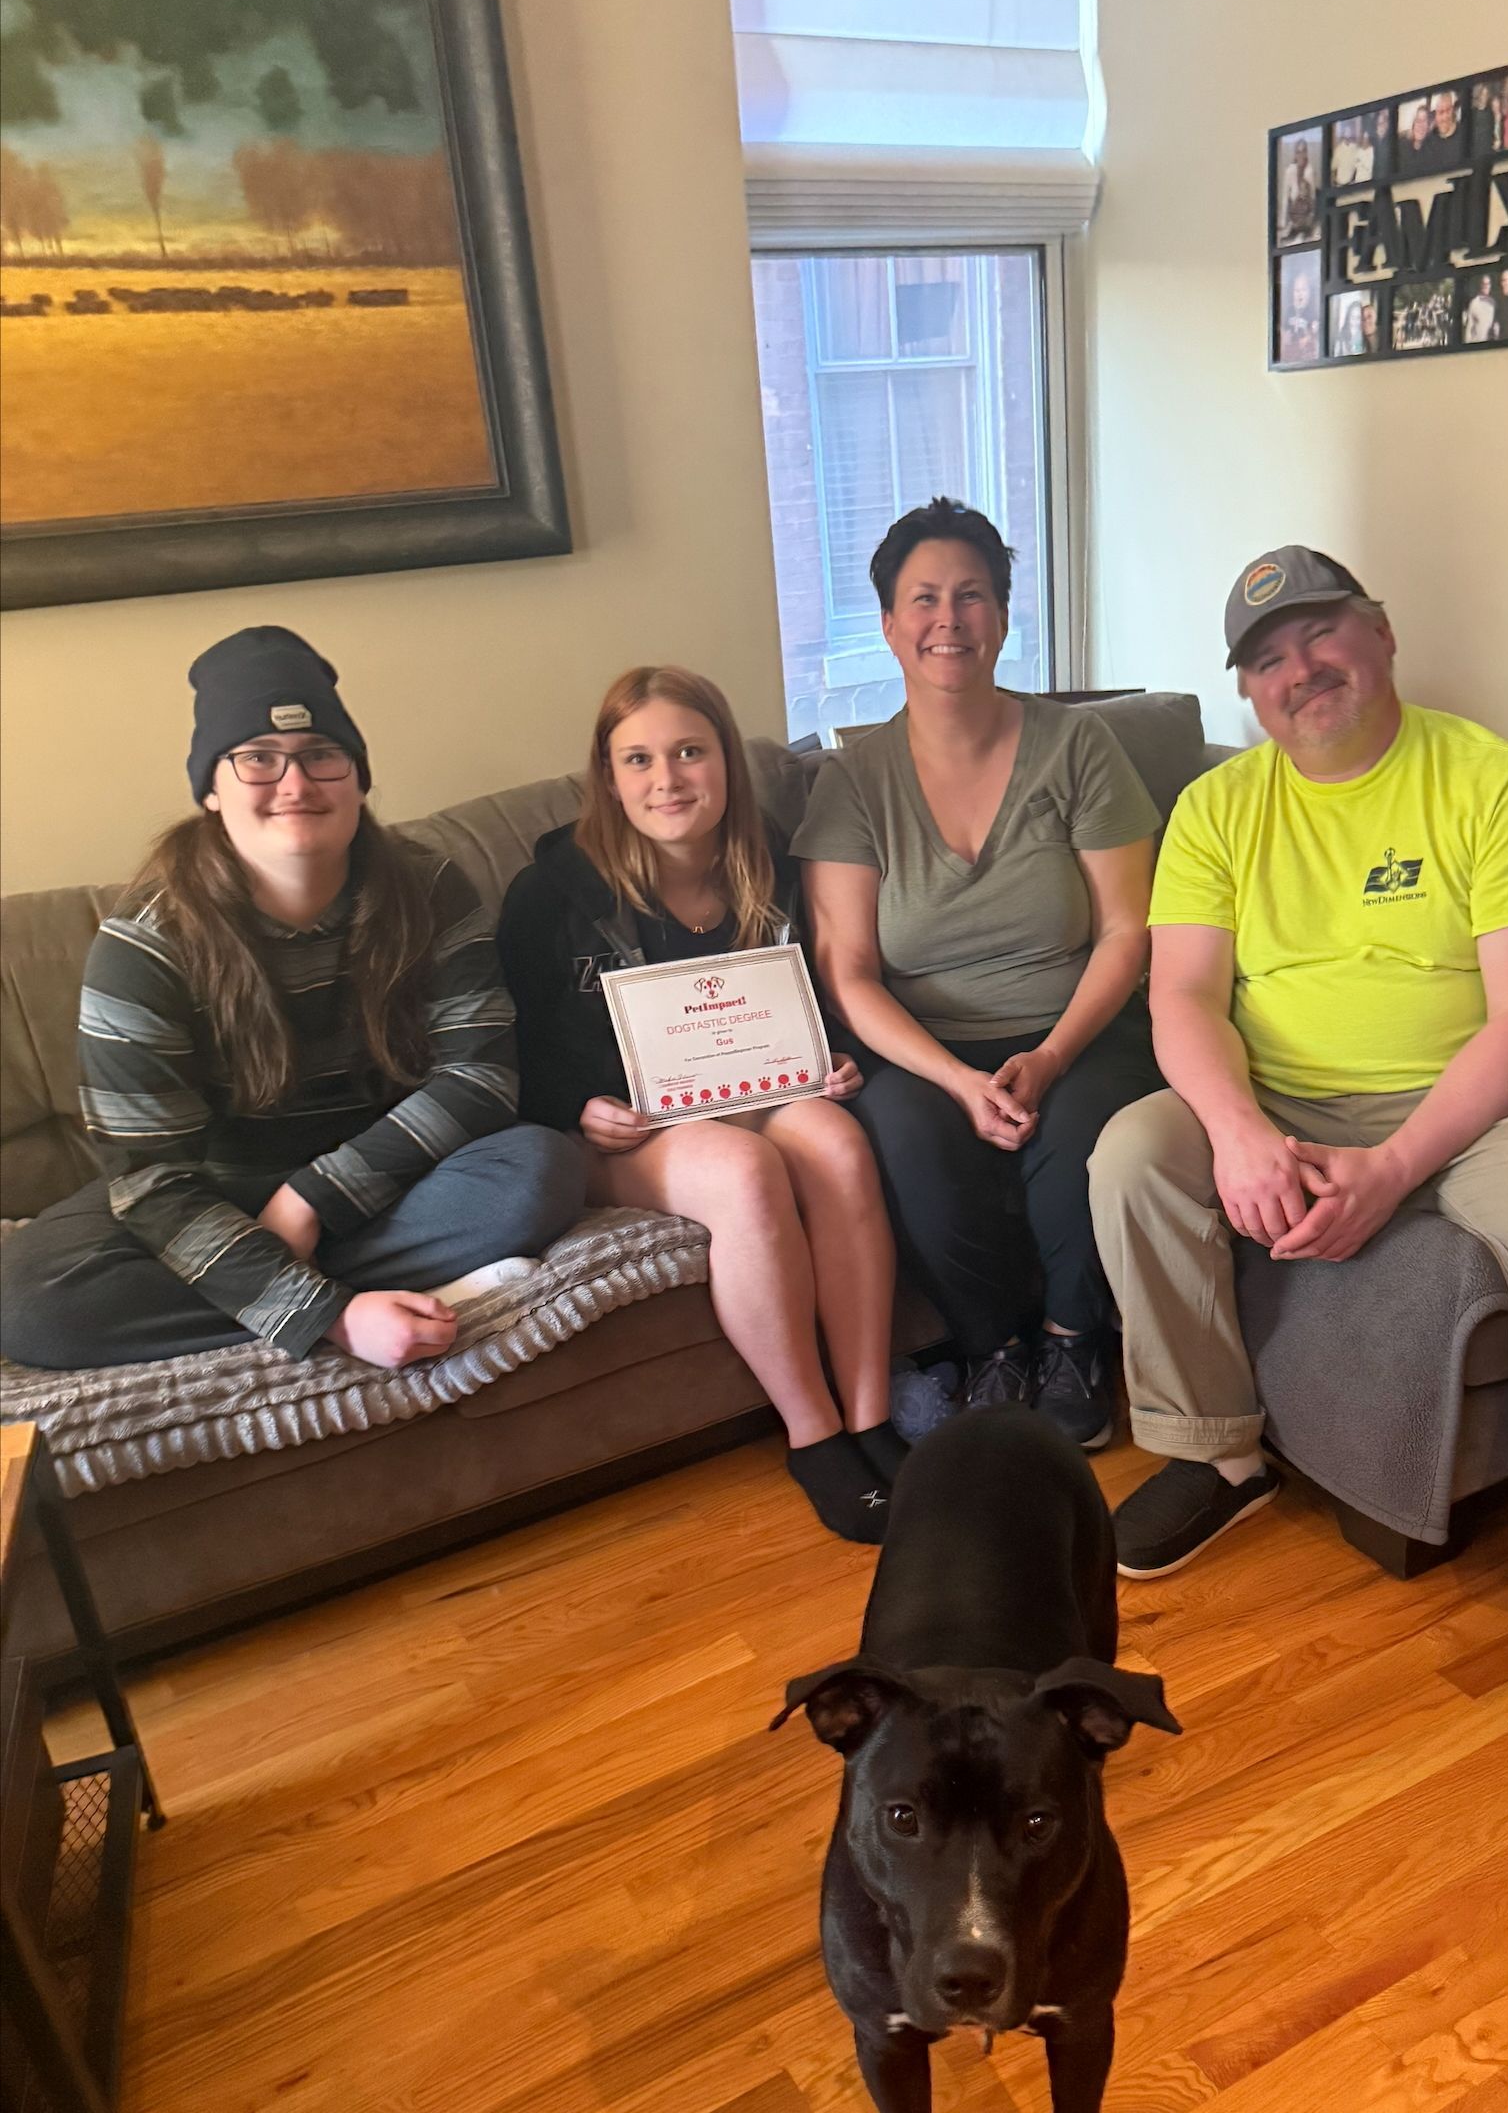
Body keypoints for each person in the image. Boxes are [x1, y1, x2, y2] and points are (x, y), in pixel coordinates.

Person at [1087, 547, 1508, 1744]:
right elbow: (1183, 1000)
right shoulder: (1217, 809)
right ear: (1247, 693)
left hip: (1475, 1103)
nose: (1298, 669)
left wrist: (1394, 1167)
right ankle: (1217, 1455)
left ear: (1379, 633)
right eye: (1266, 658)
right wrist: (1237, 1133)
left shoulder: (1498, 783)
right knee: (1128, 1157)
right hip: (1273, 1088)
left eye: (1319, 635)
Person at [0, 627, 584, 1376]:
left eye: (321, 755)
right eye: (257, 760)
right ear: (212, 789)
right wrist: (329, 1315)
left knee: (540, 1170)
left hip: (387, 1170)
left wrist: (311, 1202)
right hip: (214, 1193)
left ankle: (286, 1291)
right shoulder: (143, 943)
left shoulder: (431, 888)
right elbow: (149, 1179)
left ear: (359, 777)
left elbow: (479, 1078)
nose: (296, 784)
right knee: (33, 1300)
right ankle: (376, 1296)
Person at [495, 666, 902, 1545]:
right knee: (743, 1170)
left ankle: (872, 1416)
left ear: (727, 761)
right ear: (607, 778)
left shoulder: (776, 861)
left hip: (762, 1089)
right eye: (637, 759)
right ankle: (816, 1436)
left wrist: (838, 1059)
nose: (667, 779)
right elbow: (512, 1047)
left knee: (837, 1145)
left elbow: (830, 992)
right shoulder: (550, 896)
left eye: (689, 751)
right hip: (637, 1128)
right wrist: (578, 1109)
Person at [796, 497, 1160, 1450]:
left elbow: (1128, 930)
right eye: (922, 599)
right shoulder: (852, 782)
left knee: (1086, 1122)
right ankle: (990, 1345)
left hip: (1075, 1023)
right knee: (908, 1138)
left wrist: (1049, 1056)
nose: (946, 620)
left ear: (1003, 616)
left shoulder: (1078, 747)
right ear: (887, 625)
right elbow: (850, 971)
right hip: (921, 1045)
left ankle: (1074, 1339)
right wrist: (956, 1079)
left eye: (971, 596)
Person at [1280, 137, 1318, 241]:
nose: (1300, 155)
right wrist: (1283, 221)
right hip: (1293, 215)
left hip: (1306, 215)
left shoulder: (1310, 171)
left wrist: (1312, 217)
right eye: (1298, 152)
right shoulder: (1289, 171)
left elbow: (1313, 196)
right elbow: (1285, 197)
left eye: (1303, 152)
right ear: (1295, 154)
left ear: (1306, 153)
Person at [1280, 267, 1319, 363]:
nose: (1300, 294)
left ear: (1309, 293)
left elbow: (1314, 336)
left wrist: (1309, 337)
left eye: (1303, 290)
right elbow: (1283, 330)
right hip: (1290, 353)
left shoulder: (1313, 312)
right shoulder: (1289, 311)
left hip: (1305, 356)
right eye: (1296, 291)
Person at [1425, 88, 1466, 171]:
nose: (1445, 117)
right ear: (1434, 115)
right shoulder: (1427, 143)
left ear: (1453, 110)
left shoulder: (1466, 135)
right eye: (1441, 112)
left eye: (1448, 111)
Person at [1463, 272, 1498, 344]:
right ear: (1480, 285)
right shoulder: (1474, 303)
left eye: (1488, 283)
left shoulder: (1493, 302)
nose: (1486, 286)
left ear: (1490, 285)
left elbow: (1494, 324)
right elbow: (1469, 328)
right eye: (1484, 283)